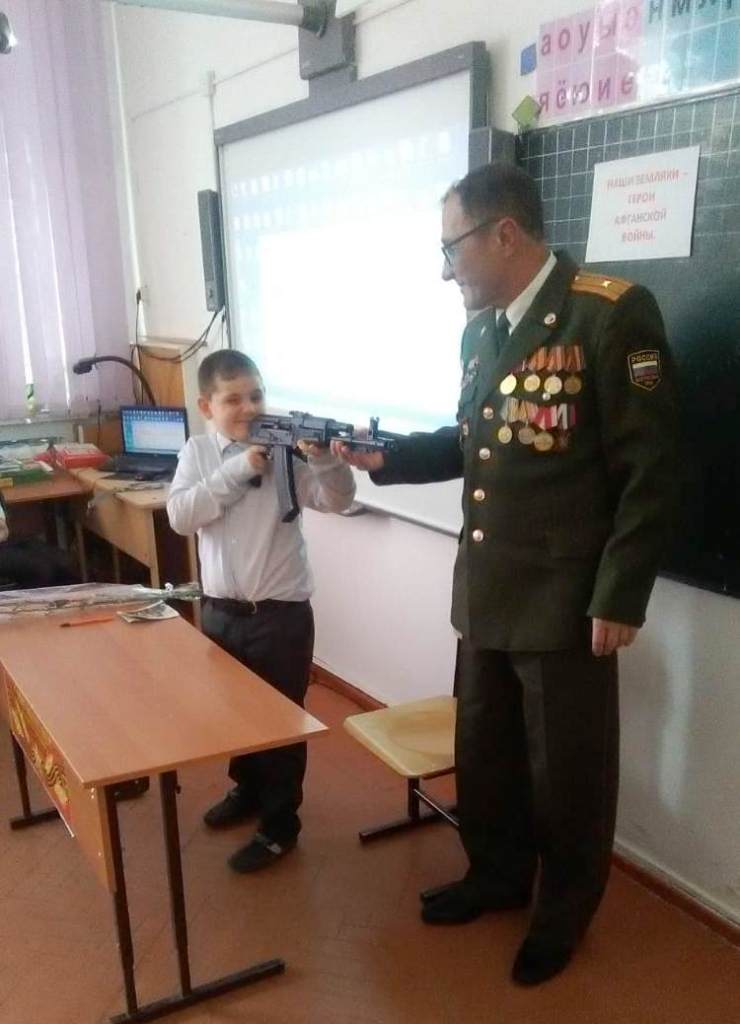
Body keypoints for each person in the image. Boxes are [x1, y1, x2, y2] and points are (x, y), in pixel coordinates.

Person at [334, 162, 678, 985]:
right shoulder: (482, 331)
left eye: (450, 248)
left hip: (566, 601)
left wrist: (621, 594)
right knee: (485, 752)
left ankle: (562, 914)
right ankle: (495, 876)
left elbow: (652, 471)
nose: (444, 270)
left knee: (568, 773)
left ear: (505, 235)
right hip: (488, 589)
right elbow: (474, 443)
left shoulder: (608, 315)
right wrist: (385, 457)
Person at [167, 350, 355, 872]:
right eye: (233, 399)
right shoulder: (198, 452)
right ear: (207, 406)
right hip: (220, 613)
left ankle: (279, 825)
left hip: (280, 615)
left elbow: (337, 500)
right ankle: (247, 791)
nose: (249, 408)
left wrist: (325, 458)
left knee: (281, 723)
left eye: (256, 395)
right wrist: (239, 469)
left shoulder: (288, 452)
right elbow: (181, 515)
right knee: (235, 716)